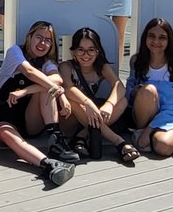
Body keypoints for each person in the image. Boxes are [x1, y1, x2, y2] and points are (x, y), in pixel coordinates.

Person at [0, 20, 77, 186]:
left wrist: (26, 91)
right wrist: (60, 93)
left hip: (30, 119)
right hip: (4, 115)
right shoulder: (15, 51)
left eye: (48, 40)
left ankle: (55, 139)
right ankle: (48, 164)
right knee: (6, 134)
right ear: (29, 37)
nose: (42, 43)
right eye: (39, 37)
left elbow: (57, 79)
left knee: (46, 87)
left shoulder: (47, 62)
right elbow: (28, 72)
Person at [59, 27, 141, 165]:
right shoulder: (66, 66)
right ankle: (118, 142)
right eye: (80, 49)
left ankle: (83, 135)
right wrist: (88, 103)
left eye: (91, 50)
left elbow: (119, 86)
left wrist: (109, 105)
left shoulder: (101, 67)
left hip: (90, 118)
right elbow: (68, 88)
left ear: (97, 51)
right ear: (72, 51)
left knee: (123, 101)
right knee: (72, 101)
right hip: (70, 120)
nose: (86, 55)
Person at [127, 17, 173, 158]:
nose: (156, 41)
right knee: (148, 90)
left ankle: (150, 134)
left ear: (169, 41)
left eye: (162, 37)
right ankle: (140, 132)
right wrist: (136, 92)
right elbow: (129, 95)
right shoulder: (136, 61)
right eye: (151, 36)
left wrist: (150, 130)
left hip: (169, 116)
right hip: (143, 116)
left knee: (164, 147)